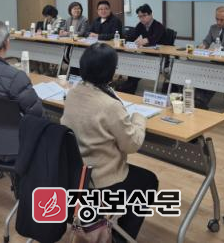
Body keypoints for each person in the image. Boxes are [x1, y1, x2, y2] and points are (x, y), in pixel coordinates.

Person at [61, 43, 158, 242]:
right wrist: (139, 119)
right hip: (100, 181)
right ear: (111, 72)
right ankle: (121, 238)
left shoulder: (73, 93)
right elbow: (132, 145)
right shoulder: (110, 106)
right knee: (148, 181)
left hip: (73, 176)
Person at [117, 4, 165, 94]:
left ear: (150, 14)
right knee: (134, 64)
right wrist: (123, 41)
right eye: (139, 16)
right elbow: (133, 36)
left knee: (137, 65)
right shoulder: (140, 25)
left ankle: (129, 86)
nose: (142, 19)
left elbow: (155, 39)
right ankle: (129, 87)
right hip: (147, 54)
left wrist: (146, 40)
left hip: (159, 56)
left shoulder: (158, 26)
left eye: (144, 15)